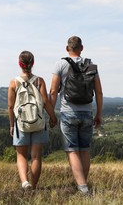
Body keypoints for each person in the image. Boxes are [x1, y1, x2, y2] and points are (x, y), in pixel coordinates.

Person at [49, 36, 103, 194]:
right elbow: (99, 92)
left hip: (68, 113)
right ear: (82, 48)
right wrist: (98, 113)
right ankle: (82, 184)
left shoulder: (60, 64)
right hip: (87, 112)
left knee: (72, 150)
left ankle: (83, 188)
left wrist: (51, 113)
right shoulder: (91, 66)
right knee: (84, 150)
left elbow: (53, 91)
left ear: (67, 48)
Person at [8, 50, 57, 190]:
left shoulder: (14, 83)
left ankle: (25, 182)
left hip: (21, 123)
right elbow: (45, 102)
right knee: (36, 156)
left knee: (21, 155)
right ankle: (33, 186)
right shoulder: (39, 81)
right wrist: (53, 117)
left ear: (19, 64)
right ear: (33, 63)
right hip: (38, 122)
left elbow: (10, 106)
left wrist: (12, 125)